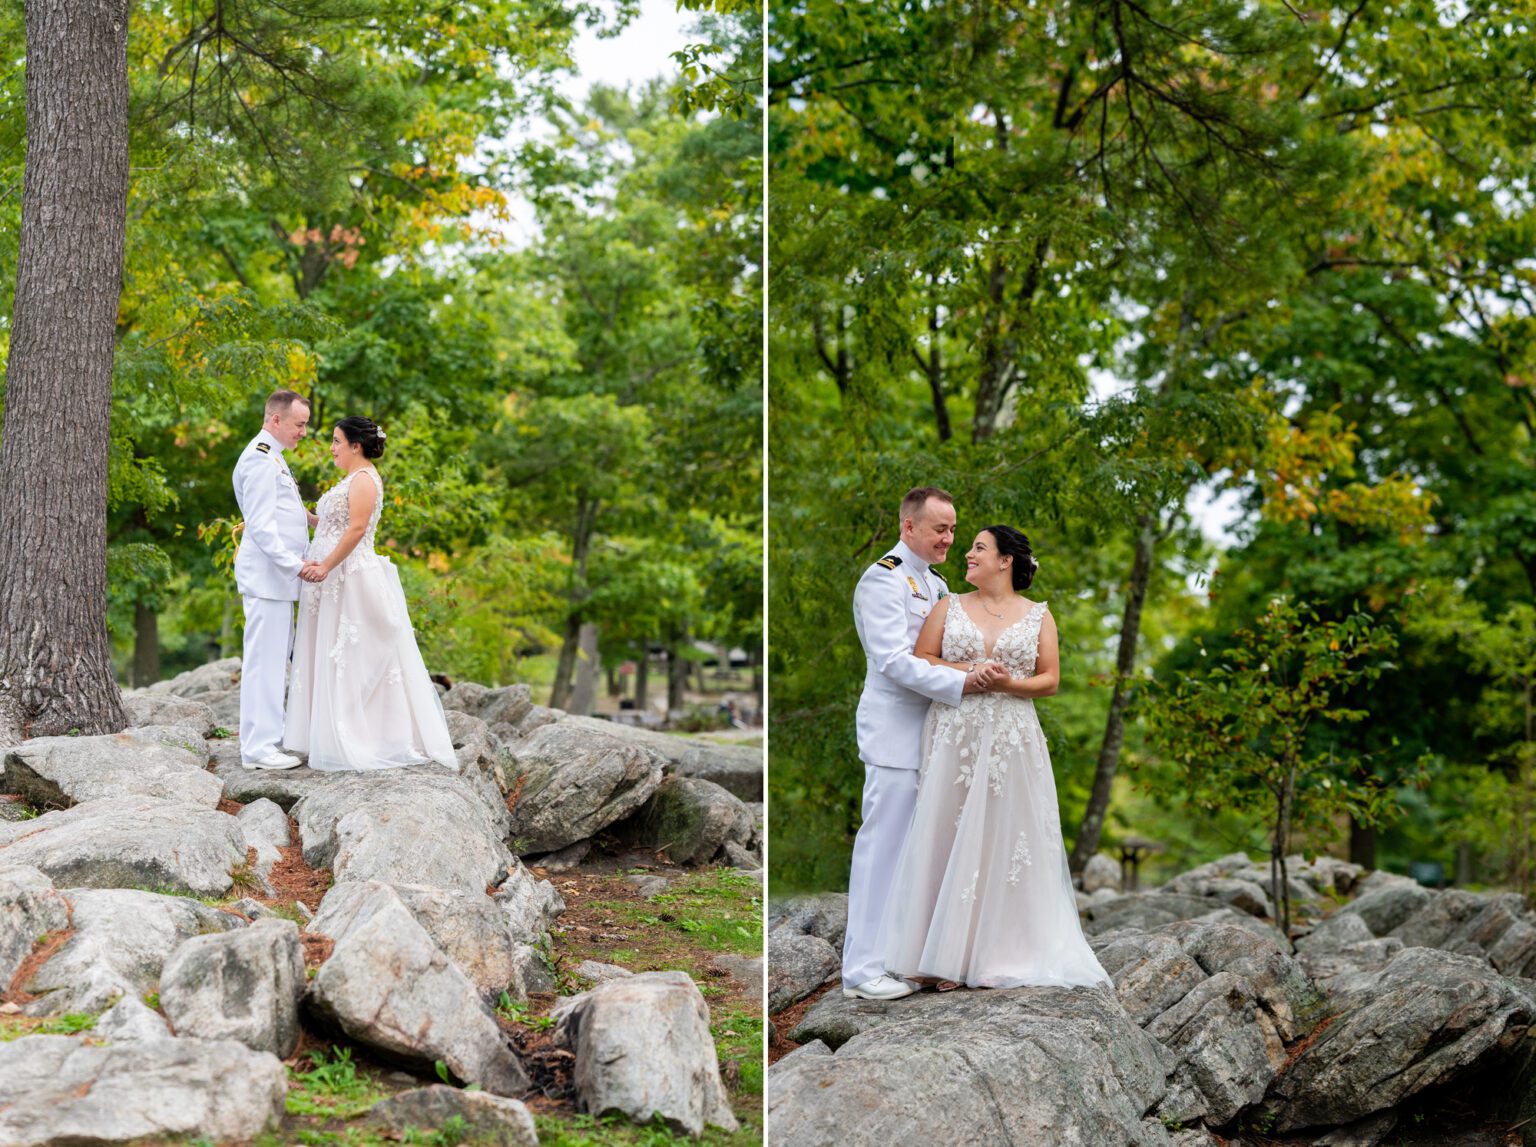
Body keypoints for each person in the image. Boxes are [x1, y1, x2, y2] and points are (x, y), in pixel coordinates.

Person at [880, 524, 1111, 990]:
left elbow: (1049, 680)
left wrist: (1007, 684)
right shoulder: (949, 606)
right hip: (955, 732)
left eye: (978, 548)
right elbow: (922, 658)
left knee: (1006, 835)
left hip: (1013, 736)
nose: (967, 553)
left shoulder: (1039, 615)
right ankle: (938, 955)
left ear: (1005, 560)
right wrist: (970, 670)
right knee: (947, 829)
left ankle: (993, 953)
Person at [842, 487, 1003, 1001]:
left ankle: (899, 957)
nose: (949, 538)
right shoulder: (883, 580)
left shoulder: (935, 583)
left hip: (937, 734)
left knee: (916, 850)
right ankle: (861, 971)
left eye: (954, 529)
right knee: (882, 848)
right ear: (908, 526)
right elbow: (892, 660)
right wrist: (963, 683)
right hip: (894, 732)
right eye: (939, 529)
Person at [282, 416, 456, 772]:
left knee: (352, 658)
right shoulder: (351, 480)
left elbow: (357, 529)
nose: (331, 448)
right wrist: (307, 518)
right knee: (332, 655)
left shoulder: (363, 481)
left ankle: (361, 736)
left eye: (335, 441)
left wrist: (326, 564)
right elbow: (337, 523)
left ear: (355, 446)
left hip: (349, 579)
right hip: (332, 582)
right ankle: (323, 733)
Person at [232, 390, 316, 770]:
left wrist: (313, 521)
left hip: (276, 582)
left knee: (273, 660)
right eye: (299, 424)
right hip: (269, 579)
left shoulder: (274, 458)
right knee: (263, 664)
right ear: (276, 420)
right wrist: (297, 565)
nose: (303, 432)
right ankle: (257, 749)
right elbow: (263, 529)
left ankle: (268, 740)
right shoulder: (261, 461)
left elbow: (283, 514)